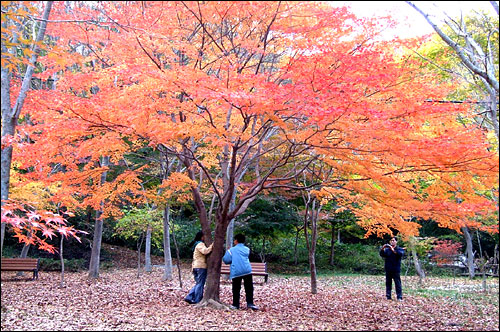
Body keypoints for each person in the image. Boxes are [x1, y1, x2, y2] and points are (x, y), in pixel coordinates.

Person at [222, 233, 259, 311]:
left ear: (236, 241)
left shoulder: (231, 250)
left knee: (236, 288)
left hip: (236, 271)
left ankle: (236, 304)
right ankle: (250, 303)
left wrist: (228, 251)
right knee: (249, 288)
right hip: (247, 270)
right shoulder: (247, 249)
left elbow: (226, 260)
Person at [184, 230, 213, 304]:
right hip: (200, 266)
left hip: (196, 266)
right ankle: (197, 299)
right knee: (200, 283)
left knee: (198, 283)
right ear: (202, 237)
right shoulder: (200, 244)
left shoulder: (196, 244)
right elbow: (205, 251)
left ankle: (190, 297)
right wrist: (212, 245)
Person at [379, 237, 405, 301]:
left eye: (393, 240)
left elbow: (400, 254)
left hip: (395, 269)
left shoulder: (399, 249)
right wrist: (382, 249)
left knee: (397, 283)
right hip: (388, 269)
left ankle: (399, 297)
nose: (392, 242)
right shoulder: (387, 250)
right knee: (388, 283)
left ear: (396, 241)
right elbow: (382, 254)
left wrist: (393, 250)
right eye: (391, 241)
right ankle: (388, 296)